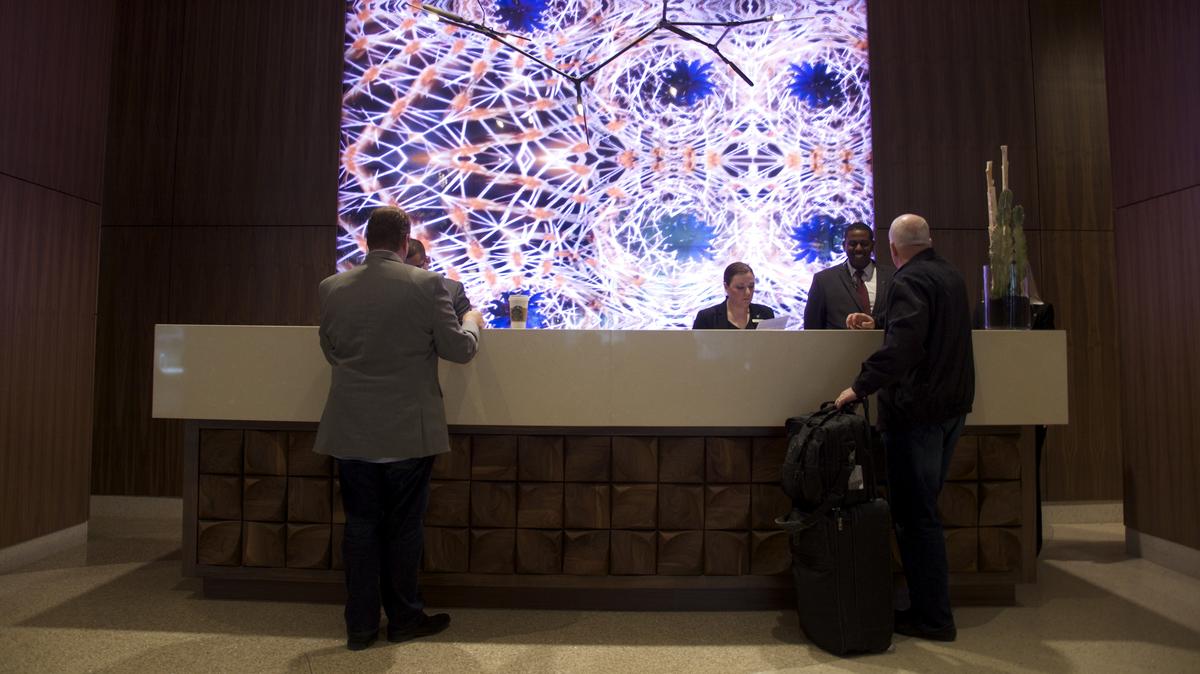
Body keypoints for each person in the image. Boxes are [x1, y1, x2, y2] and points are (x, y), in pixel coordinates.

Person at [314, 206, 485, 651]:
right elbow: (459, 351)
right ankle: (405, 618)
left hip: (351, 428)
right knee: (404, 528)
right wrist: (471, 321)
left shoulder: (332, 287)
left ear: (365, 240)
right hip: (408, 430)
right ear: (406, 242)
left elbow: (331, 350)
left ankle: (360, 626)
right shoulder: (428, 285)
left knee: (359, 525)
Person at [834, 214, 974, 643]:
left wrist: (859, 386)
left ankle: (933, 618)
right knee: (925, 511)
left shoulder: (907, 280)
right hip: (952, 409)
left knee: (916, 518)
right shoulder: (951, 276)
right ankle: (931, 610)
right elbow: (928, 333)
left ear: (893, 250)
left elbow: (905, 348)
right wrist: (881, 324)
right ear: (928, 241)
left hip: (918, 414)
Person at [803, 222, 894, 329]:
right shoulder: (823, 281)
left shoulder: (892, 277)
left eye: (864, 244)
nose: (858, 248)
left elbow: (899, 318)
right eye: (853, 244)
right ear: (844, 246)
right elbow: (812, 327)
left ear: (873, 245)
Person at [692, 262, 776, 329]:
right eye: (740, 287)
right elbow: (694, 346)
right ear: (726, 287)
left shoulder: (766, 314)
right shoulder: (707, 318)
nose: (748, 292)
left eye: (751, 286)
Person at [405, 238, 473, 321]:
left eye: (417, 268)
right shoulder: (392, 291)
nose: (413, 274)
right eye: (406, 269)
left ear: (427, 260)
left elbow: (468, 324)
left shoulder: (453, 290)